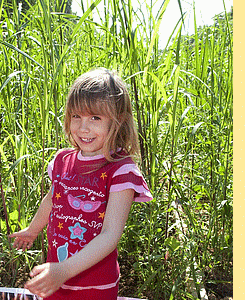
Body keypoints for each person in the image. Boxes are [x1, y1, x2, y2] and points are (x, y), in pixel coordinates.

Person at [9, 68, 152, 300]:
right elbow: (51, 199)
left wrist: (63, 271)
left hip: (95, 286)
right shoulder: (62, 161)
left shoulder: (121, 171)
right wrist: (33, 230)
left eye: (95, 118)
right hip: (55, 278)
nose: (83, 128)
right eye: (76, 116)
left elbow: (110, 234)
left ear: (119, 121)